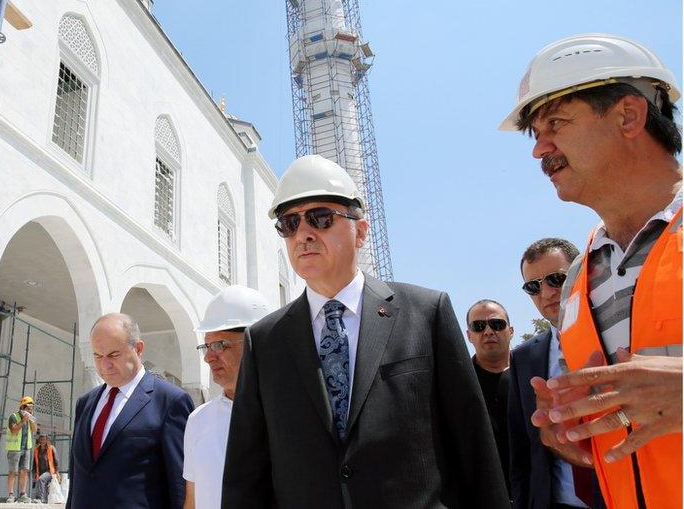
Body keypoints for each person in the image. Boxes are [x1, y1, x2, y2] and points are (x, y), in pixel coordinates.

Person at [222, 155, 508, 508]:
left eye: (320, 218)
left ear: (360, 231)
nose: (304, 234)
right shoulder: (263, 341)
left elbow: (474, 448)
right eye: (289, 223)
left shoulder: (425, 313)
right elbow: (246, 474)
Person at [501, 33, 681, 508]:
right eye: (535, 135)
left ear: (627, 115)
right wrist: (577, 430)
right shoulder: (582, 275)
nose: (540, 150)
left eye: (555, 124)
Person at [508, 238, 603, 509]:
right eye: (533, 286)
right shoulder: (524, 357)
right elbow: (522, 448)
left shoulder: (614, 335)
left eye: (556, 279)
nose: (546, 292)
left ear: (581, 271)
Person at [67, 313, 195, 509]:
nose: (104, 365)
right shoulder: (85, 403)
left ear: (139, 348)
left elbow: (179, 485)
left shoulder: (170, 401)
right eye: (97, 356)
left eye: (113, 355)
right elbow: (78, 477)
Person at [183, 286, 271, 509]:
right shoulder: (197, 420)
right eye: (206, 346)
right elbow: (192, 500)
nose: (208, 358)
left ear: (256, 343)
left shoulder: (290, 414)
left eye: (219, 345)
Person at [465, 298, 514, 493]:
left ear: (510, 331)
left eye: (497, 324)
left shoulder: (533, 375)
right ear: (469, 335)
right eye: (478, 326)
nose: (488, 332)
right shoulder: (458, 383)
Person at [5, 395, 37, 503]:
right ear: (22, 407)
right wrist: (23, 421)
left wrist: (31, 421)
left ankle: (23, 494)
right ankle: (11, 494)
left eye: (31, 408)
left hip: (26, 448)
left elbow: (34, 429)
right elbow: (14, 430)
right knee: (13, 471)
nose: (30, 410)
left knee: (24, 471)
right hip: (15, 448)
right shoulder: (14, 417)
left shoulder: (29, 419)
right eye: (28, 408)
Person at [33, 434, 60, 502]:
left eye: (44, 439)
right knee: (40, 481)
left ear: (47, 440)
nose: (42, 441)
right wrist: (34, 472)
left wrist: (57, 472)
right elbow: (34, 462)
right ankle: (43, 499)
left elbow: (56, 460)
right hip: (40, 471)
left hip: (50, 471)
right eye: (41, 439)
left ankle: (40, 498)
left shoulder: (51, 448)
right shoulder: (36, 450)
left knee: (41, 479)